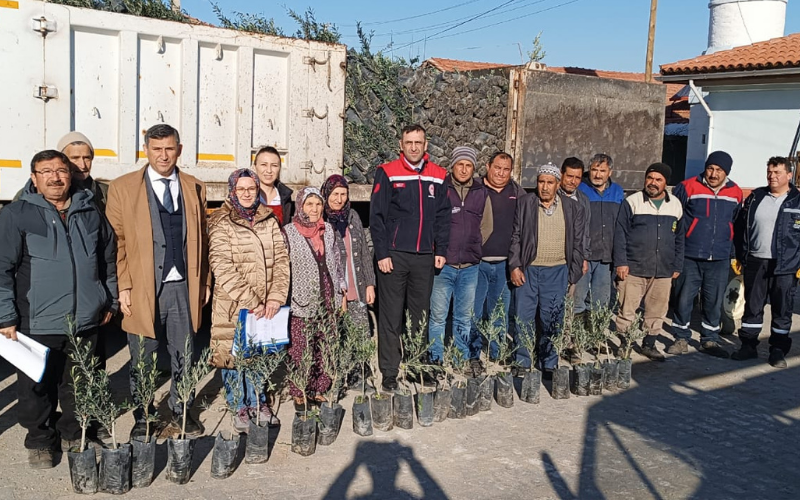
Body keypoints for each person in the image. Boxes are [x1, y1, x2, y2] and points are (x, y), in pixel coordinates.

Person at [0, 150, 117, 468]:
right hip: (37, 320)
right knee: (35, 386)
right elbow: (2, 269)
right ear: (34, 177)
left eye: (61, 170)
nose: (55, 177)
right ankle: (39, 440)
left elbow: (107, 258)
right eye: (46, 171)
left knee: (81, 381)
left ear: (71, 174)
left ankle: (74, 432)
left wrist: (111, 299)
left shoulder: (89, 210)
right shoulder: (18, 214)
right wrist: (5, 316)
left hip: (85, 319)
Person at [106, 124, 210, 439]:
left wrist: (204, 281)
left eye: (169, 149)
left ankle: (182, 410)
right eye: (156, 149)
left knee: (184, 352)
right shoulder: (123, 188)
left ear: (179, 149)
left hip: (183, 285)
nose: (163, 156)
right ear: (146, 150)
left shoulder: (194, 186)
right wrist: (122, 285)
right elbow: (117, 243)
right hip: (142, 285)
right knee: (142, 354)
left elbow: (202, 240)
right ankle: (145, 415)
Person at [369, 124, 450, 392]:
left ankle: (416, 365)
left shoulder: (439, 175)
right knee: (391, 317)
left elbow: (443, 217)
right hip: (394, 257)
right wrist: (382, 253)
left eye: (418, 142)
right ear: (401, 145)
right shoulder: (387, 172)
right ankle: (390, 373)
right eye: (409, 142)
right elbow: (377, 218)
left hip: (424, 257)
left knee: (419, 317)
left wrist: (441, 250)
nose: (413, 147)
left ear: (426, 145)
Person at [208, 169, 289, 432]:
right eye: (241, 189)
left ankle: (258, 401)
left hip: (266, 303)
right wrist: (252, 300)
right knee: (233, 357)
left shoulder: (268, 220)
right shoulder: (221, 221)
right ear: (232, 190)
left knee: (258, 353)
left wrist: (276, 296)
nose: (246, 193)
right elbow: (221, 266)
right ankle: (238, 405)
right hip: (233, 304)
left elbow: (281, 260)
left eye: (251, 189)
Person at [509, 163, 585, 372]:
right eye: (541, 182)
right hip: (529, 270)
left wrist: (573, 273)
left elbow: (578, 242)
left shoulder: (572, 207)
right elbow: (515, 236)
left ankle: (549, 363)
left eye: (549, 182)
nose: (544, 187)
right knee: (523, 318)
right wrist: (515, 265)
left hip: (558, 271)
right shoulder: (526, 203)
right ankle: (522, 362)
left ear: (557, 184)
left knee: (552, 319)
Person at [670, 151, 742, 358]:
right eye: (710, 168)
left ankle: (710, 339)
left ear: (726, 172)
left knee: (713, 299)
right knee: (684, 298)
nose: (713, 173)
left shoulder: (736, 192)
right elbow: (675, 216)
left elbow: (736, 222)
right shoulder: (687, 187)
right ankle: (680, 337)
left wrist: (734, 253)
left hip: (719, 256)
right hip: (690, 254)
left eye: (719, 170)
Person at [732, 156, 800, 368]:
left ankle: (778, 349)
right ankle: (748, 345)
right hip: (756, 261)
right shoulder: (756, 197)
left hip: (786, 264)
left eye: (777, 172)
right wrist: (741, 254)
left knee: (782, 307)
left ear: (789, 175)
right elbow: (741, 228)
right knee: (753, 306)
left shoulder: (796, 201)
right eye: (769, 172)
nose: (772, 176)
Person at [428, 146, 492, 366]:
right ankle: (435, 358)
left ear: (473, 168)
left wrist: (473, 245)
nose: (464, 169)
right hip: (443, 265)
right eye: (460, 164)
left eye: (468, 166)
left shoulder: (481, 192)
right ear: (452, 166)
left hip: (470, 266)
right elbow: (431, 223)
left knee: (464, 318)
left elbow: (487, 226)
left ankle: (460, 359)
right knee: (437, 317)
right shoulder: (440, 189)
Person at [614, 163, 684, 361]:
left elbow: (680, 237)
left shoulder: (676, 205)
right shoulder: (632, 202)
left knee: (656, 310)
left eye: (658, 179)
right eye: (650, 178)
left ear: (666, 183)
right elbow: (620, 234)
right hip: (634, 267)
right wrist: (621, 262)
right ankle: (625, 344)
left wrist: (677, 265)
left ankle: (649, 344)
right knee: (627, 309)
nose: (652, 183)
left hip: (663, 269)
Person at [283, 187, 346, 406]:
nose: (315, 209)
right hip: (302, 299)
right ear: (300, 206)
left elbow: (337, 263)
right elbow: (283, 268)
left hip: (328, 296)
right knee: (301, 347)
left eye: (318, 204)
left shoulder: (327, 230)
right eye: (309, 204)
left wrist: (341, 293)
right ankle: (300, 389)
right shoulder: (289, 232)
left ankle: (319, 387)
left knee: (325, 345)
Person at [470, 152, 524, 371]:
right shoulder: (475, 189)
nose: (501, 173)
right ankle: (472, 354)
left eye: (506, 169)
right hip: (477, 263)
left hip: (503, 264)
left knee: (499, 311)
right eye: (497, 168)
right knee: (473, 311)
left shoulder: (517, 192)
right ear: (487, 166)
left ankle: (497, 351)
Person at [321, 174, 375, 331]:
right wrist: (338, 292)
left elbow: (364, 251)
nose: (339, 199)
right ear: (326, 194)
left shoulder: (353, 216)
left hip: (356, 288)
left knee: (359, 340)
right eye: (335, 194)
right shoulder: (321, 220)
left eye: (343, 194)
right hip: (334, 293)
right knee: (336, 340)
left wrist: (370, 284)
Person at [574, 153, 624, 318]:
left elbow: (622, 225)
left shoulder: (617, 191)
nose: (597, 174)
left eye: (602, 170)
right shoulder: (580, 189)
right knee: (577, 299)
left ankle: (594, 339)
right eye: (594, 169)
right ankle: (575, 339)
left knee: (600, 301)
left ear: (610, 172)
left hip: (606, 257)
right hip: (584, 255)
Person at [12, 132, 108, 212]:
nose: (82, 165)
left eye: (87, 158)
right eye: (75, 158)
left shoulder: (105, 193)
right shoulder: (27, 195)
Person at [558, 157, 591, 290]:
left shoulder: (583, 200)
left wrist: (584, 258)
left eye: (577, 178)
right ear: (561, 174)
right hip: (554, 257)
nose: (573, 181)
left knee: (570, 301)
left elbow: (585, 230)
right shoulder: (551, 196)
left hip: (574, 257)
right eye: (569, 176)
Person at [253, 146, 294, 226]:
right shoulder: (247, 195)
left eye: (274, 165)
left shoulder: (285, 196)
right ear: (255, 167)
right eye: (264, 165)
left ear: (279, 169)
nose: (269, 170)